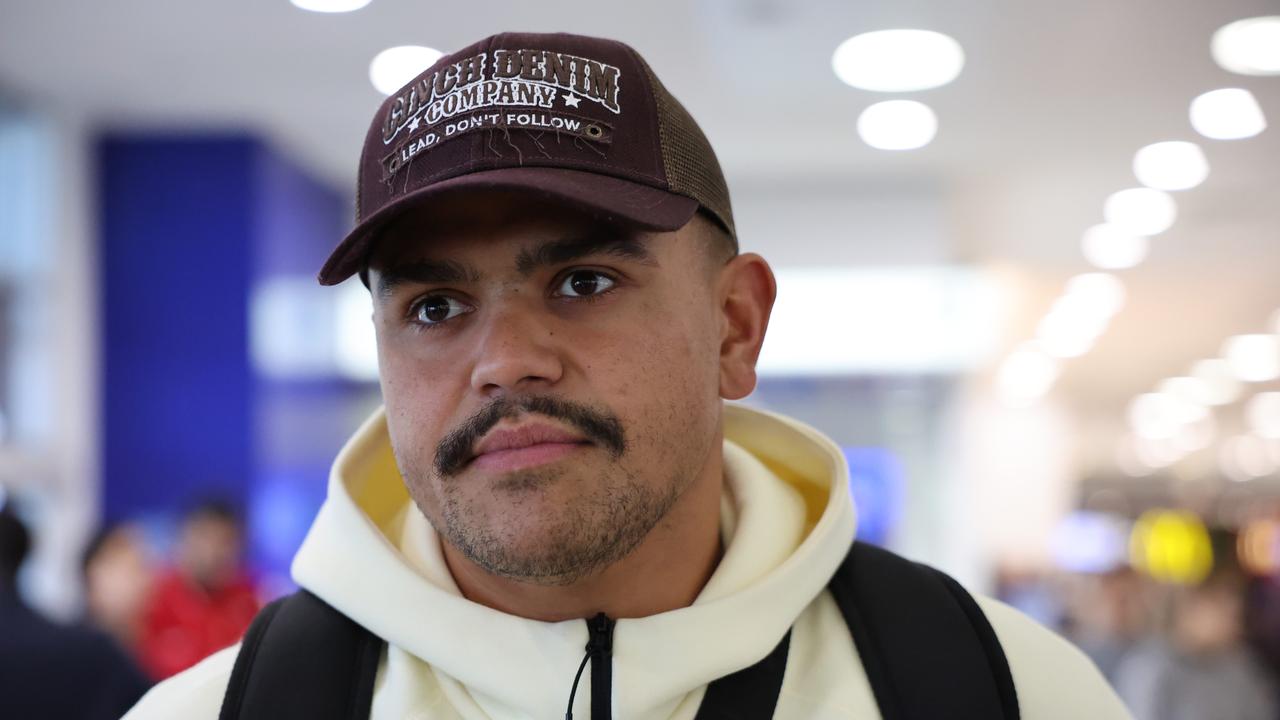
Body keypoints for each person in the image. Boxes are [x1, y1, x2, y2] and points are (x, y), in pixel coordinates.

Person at [125, 31, 1130, 719]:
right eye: (433, 307)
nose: (506, 361)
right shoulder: (213, 713)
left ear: (734, 327)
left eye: (582, 280)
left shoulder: (999, 690)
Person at [0, 501, 151, 719]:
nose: (143, 580)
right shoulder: (94, 653)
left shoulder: (106, 652)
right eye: (130, 567)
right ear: (90, 572)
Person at [137, 500, 260, 680]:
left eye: (225, 541)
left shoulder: (248, 600)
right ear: (184, 537)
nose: (214, 552)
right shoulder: (153, 598)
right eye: (205, 538)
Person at [82, 521, 156, 658]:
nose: (143, 580)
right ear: (93, 574)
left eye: (143, 567)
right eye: (129, 569)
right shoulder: (70, 650)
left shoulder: (160, 647)